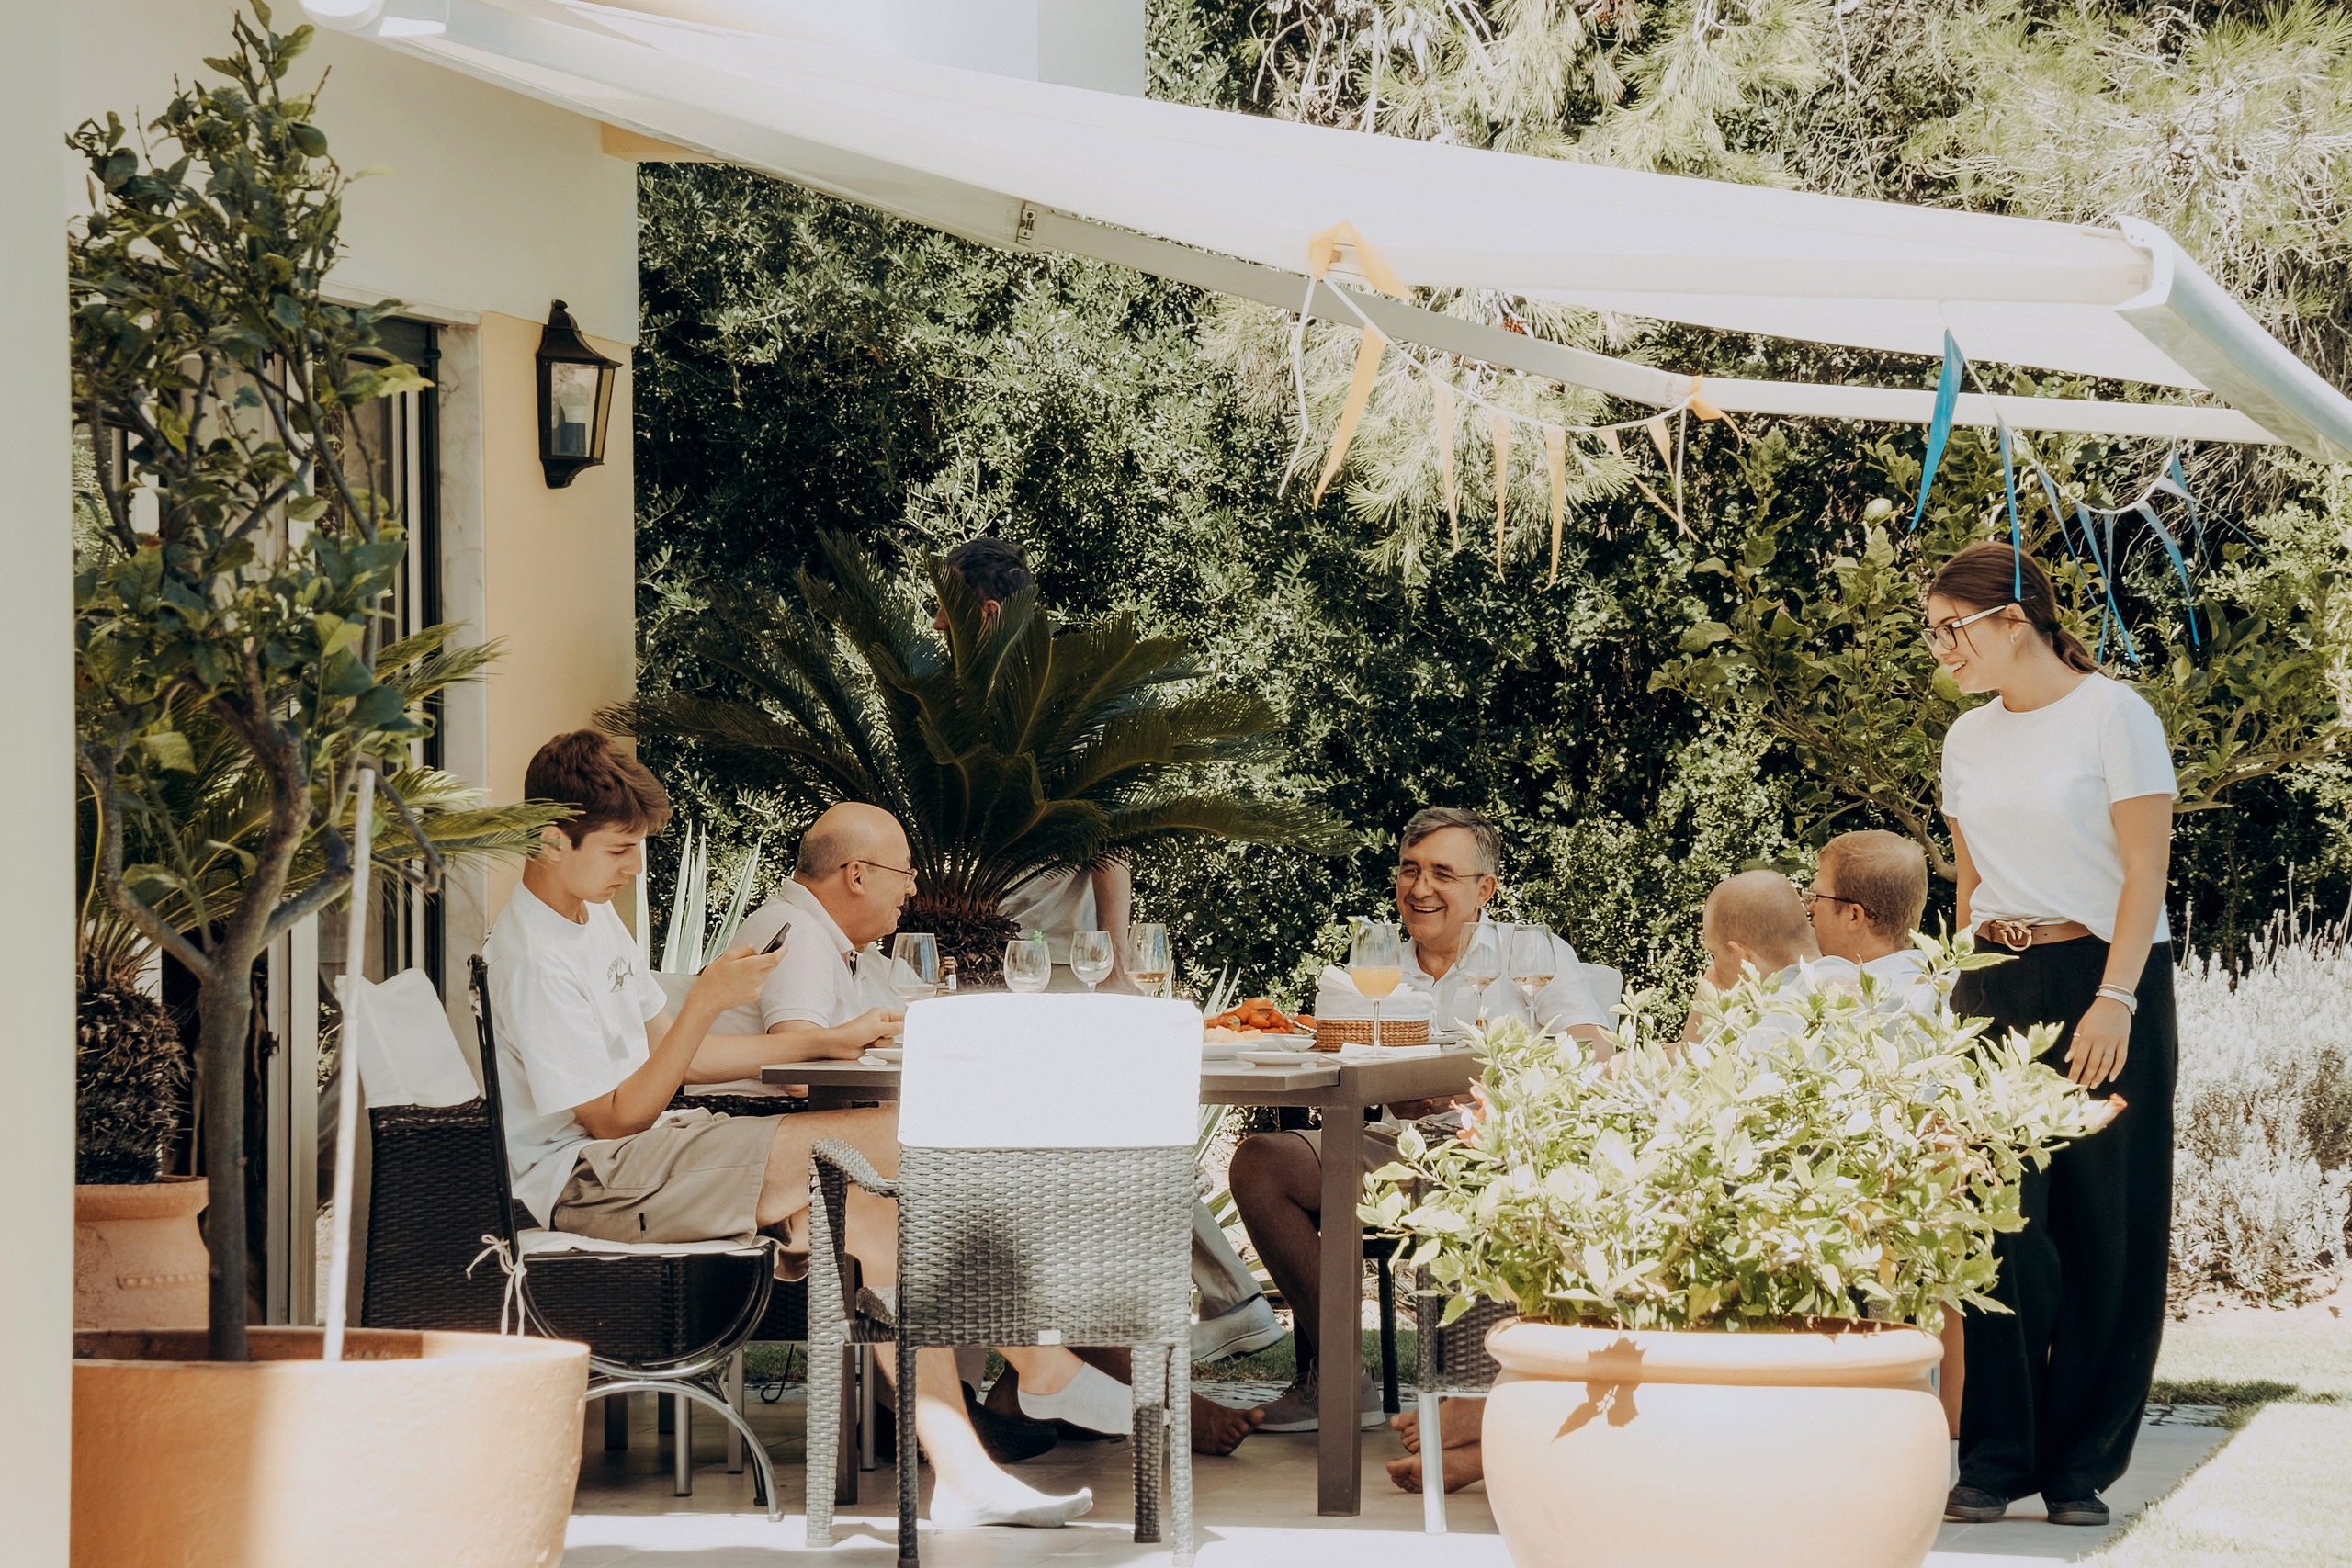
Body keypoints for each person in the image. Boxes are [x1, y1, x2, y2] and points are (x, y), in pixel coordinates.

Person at [487, 731, 1099, 1528]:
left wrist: (815, 1041)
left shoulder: (589, 918)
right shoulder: (533, 951)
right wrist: (706, 996)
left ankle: (962, 1472)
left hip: (652, 1148)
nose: (634, 867)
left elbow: (676, 1056)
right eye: (618, 849)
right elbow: (614, 1113)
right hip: (595, 1177)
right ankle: (1040, 1357)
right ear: (549, 838)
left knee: (876, 1219)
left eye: (638, 847)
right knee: (913, 1131)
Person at [1927, 544, 2177, 1530]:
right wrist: (1948, 991)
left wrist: (2114, 998)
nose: (1938, 647)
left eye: (1950, 627)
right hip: (1993, 978)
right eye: (1932, 630)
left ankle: (2078, 1471)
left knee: (2100, 1222)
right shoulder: (1964, 737)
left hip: (2102, 975)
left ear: (2010, 619)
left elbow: (2143, 871)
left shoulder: (2116, 715)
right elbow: (1966, 880)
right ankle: (1993, 1459)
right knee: (1996, 1226)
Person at [1228, 807, 1611, 1449]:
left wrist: (1479, 1089)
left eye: (1441, 872)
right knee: (1259, 1162)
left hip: (1490, 1148)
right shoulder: (1378, 963)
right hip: (1389, 1145)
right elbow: (1340, 1061)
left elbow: (1591, 1049)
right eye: (1409, 869)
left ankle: (1469, 1401)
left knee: (1459, 1169)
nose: (1420, 887)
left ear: (1484, 889)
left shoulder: (1528, 952)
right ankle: (1341, 1373)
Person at [932, 537, 1136, 987]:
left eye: (946, 605)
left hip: (1052, 963)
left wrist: (1114, 963)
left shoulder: (1067, 705)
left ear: (988, 613)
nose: (935, 621)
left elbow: (1107, 838)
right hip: (951, 954)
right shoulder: (942, 703)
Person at [1681, 869, 1858, 1043]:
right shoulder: (1862, 979)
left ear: (1741, 957)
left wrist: (1704, 1001)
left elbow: (1691, 1066)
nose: (1714, 971)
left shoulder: (1770, 1028)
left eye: (1714, 955)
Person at [1804, 829, 1935, 1013]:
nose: (1810, 908)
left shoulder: (1853, 1007)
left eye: (1817, 897)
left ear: (1854, 916)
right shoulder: (1939, 994)